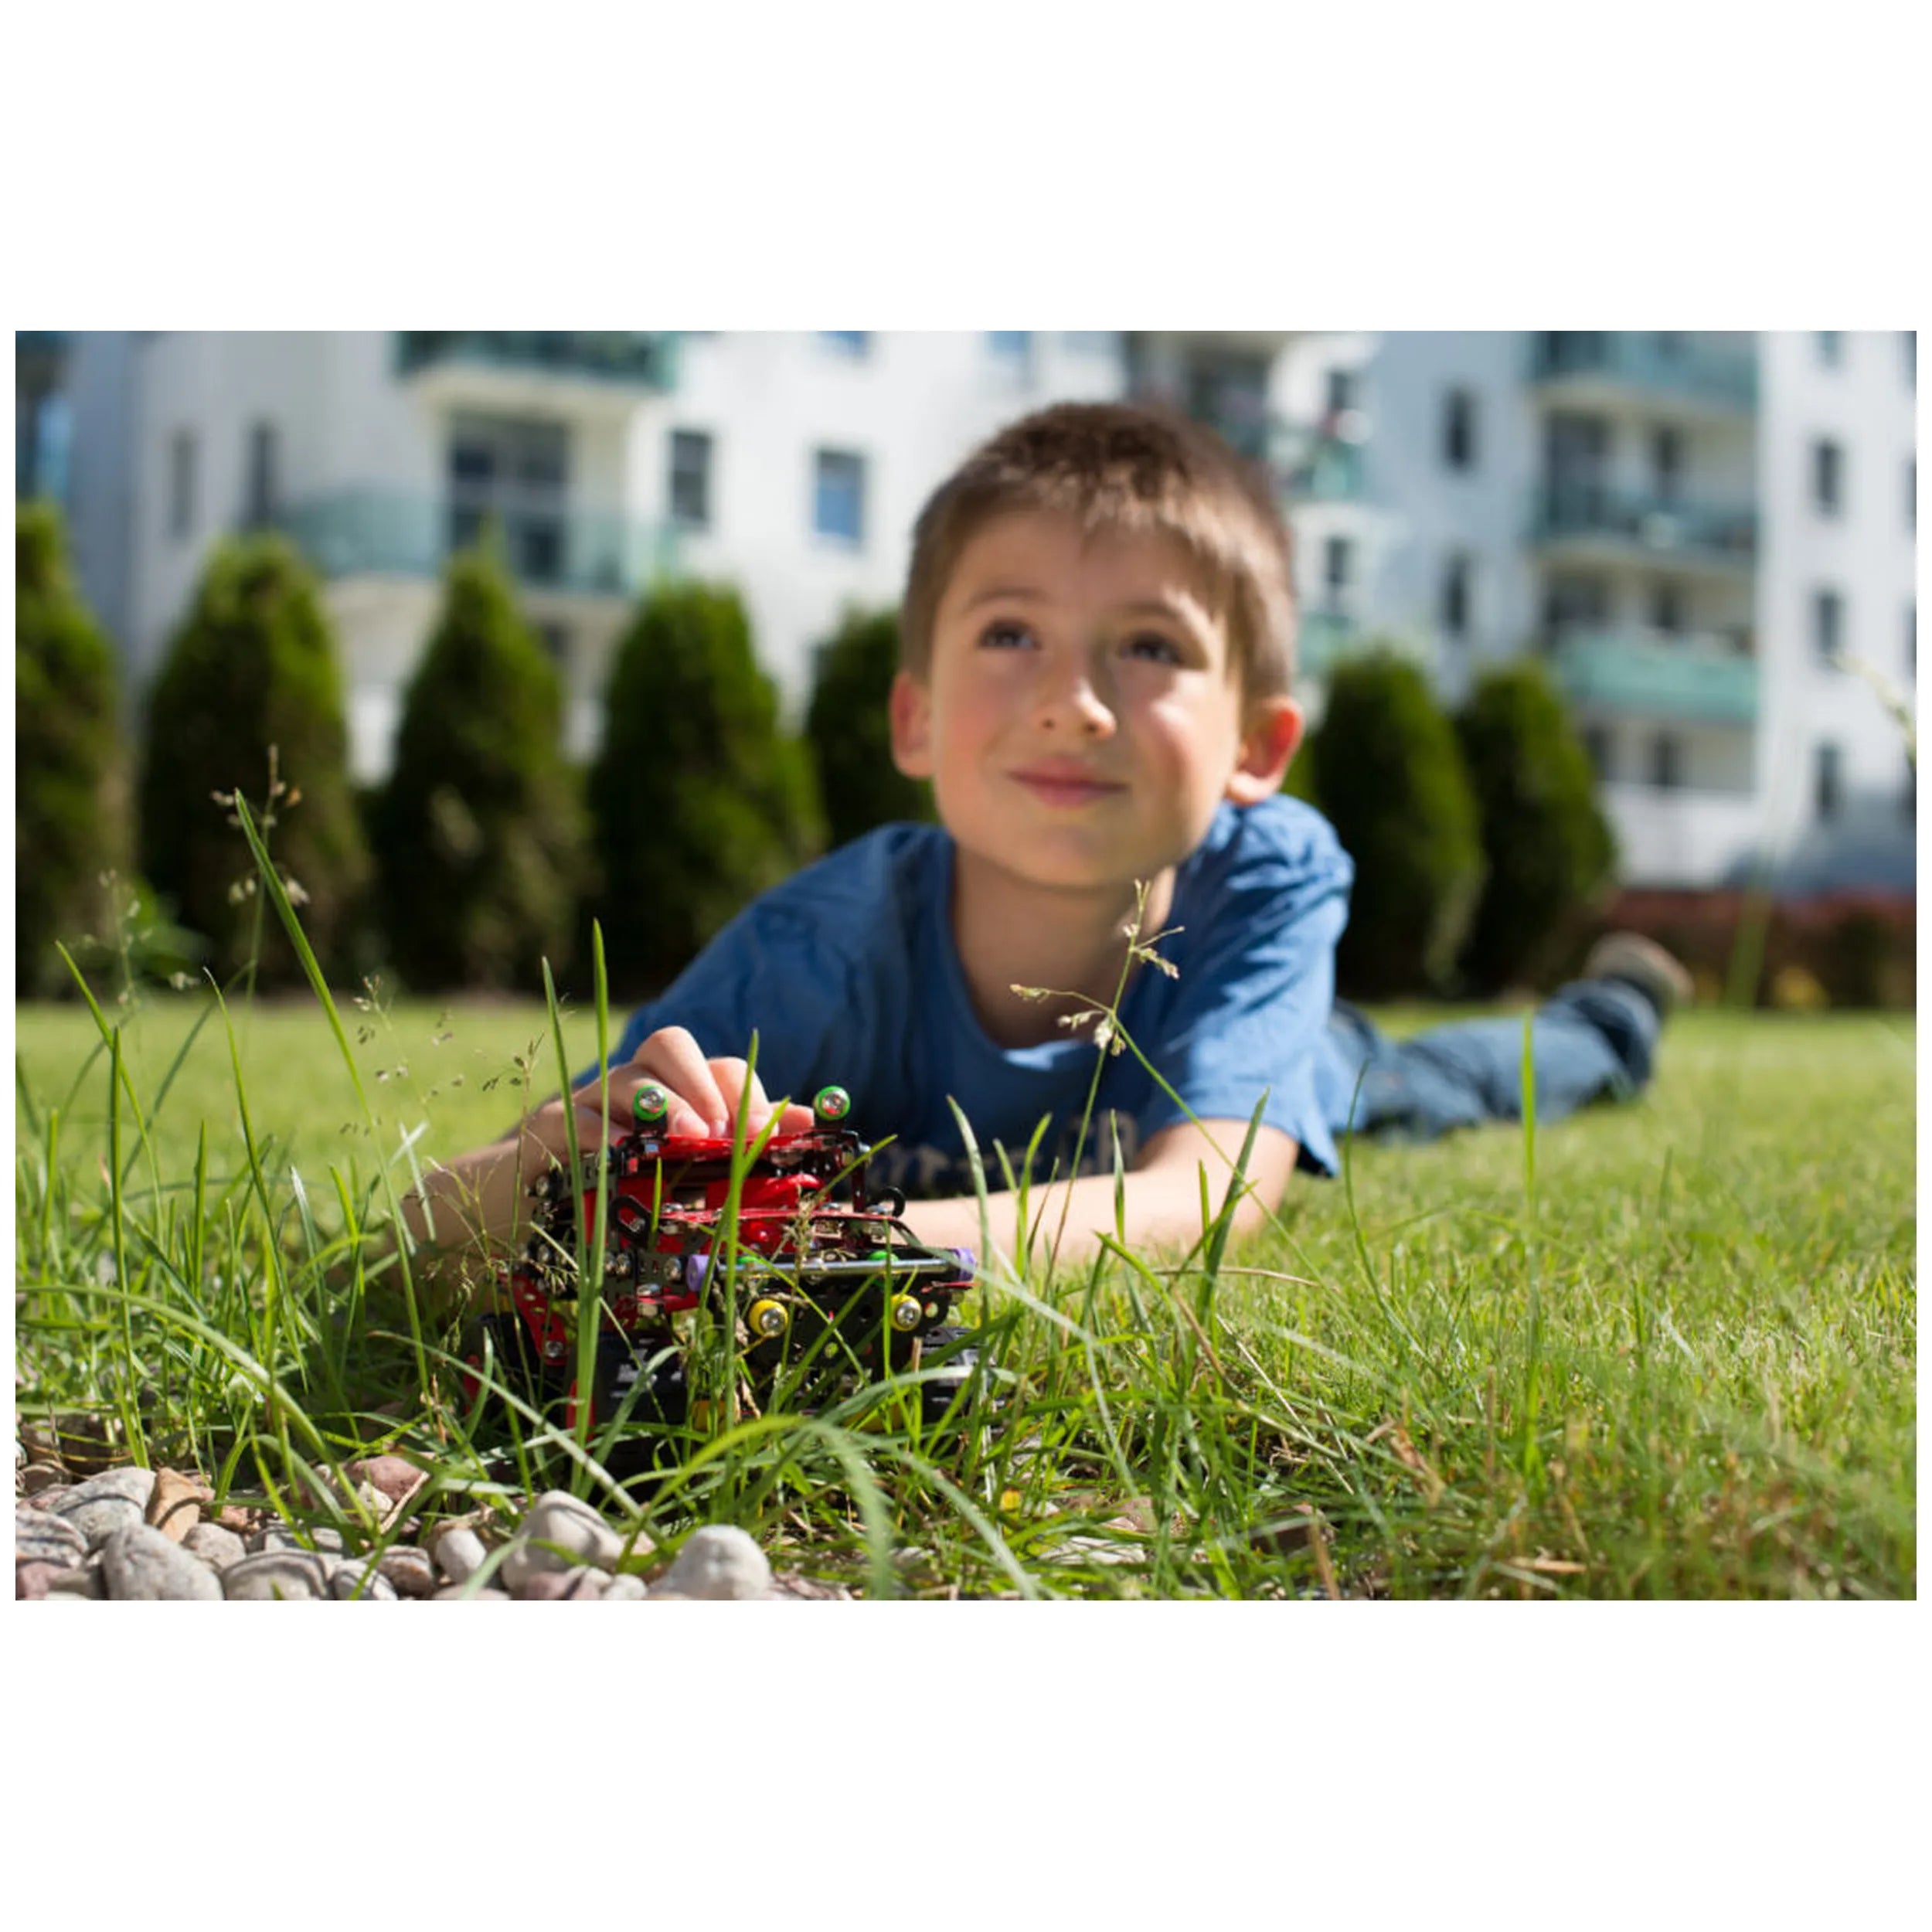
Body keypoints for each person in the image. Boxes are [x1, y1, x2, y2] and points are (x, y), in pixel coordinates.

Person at [402, 402, 1688, 1279]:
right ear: (912, 717)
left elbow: (1205, 1198)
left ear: (1259, 748)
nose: (1072, 702)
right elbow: (443, 1221)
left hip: (1254, 1044)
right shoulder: (817, 949)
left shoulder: (1270, 877)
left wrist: (841, 1244)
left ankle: (1608, 1026)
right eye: (1010, 633)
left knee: (1422, 1088)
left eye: (1149, 647)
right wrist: (552, 1174)